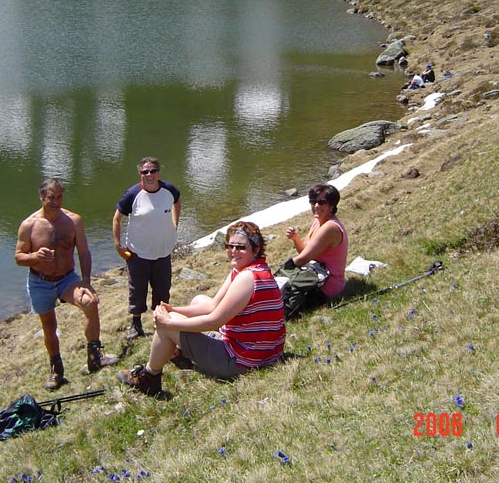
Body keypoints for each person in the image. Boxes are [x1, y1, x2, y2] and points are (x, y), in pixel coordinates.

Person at [116, 221, 286, 396]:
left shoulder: (247, 277)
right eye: (230, 246)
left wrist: (168, 323)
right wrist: (174, 310)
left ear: (256, 249)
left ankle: (149, 378)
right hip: (263, 352)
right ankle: (181, 352)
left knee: (167, 326)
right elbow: (212, 306)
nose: (233, 251)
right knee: (198, 300)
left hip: (243, 361)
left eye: (240, 247)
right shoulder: (250, 269)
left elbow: (214, 322)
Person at [16, 178, 117, 390]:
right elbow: (19, 257)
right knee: (49, 326)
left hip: (67, 278)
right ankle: (56, 370)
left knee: (90, 302)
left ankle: (94, 356)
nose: (56, 202)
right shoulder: (29, 225)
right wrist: (35, 256)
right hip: (40, 281)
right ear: (41, 197)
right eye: (51, 198)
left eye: (60, 197)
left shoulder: (73, 221)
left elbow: (84, 252)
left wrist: (86, 280)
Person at [113, 157, 181, 341]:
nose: (149, 175)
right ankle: (136, 324)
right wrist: (118, 245)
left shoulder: (169, 190)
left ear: (159, 172)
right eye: (145, 172)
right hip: (138, 253)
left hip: (163, 252)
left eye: (153, 171)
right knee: (137, 290)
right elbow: (117, 219)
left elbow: (177, 201)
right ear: (140, 174)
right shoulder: (132, 194)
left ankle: (161, 324)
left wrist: (175, 224)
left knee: (163, 290)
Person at [285, 183, 348, 314]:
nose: (316, 206)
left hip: (326, 286)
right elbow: (305, 252)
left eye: (321, 202)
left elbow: (302, 259)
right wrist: (296, 239)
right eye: (313, 202)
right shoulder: (318, 221)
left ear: (332, 205)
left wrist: (274, 276)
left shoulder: (330, 228)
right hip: (314, 276)